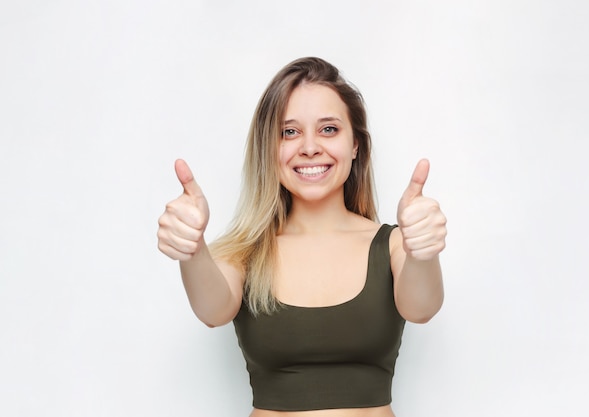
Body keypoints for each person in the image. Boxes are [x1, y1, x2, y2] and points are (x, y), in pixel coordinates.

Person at [157, 57, 447, 417]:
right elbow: (213, 310)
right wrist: (193, 250)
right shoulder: (245, 252)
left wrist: (423, 252)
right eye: (289, 132)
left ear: (355, 144)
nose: (309, 147)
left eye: (328, 129)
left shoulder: (392, 246)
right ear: (268, 148)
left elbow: (421, 308)